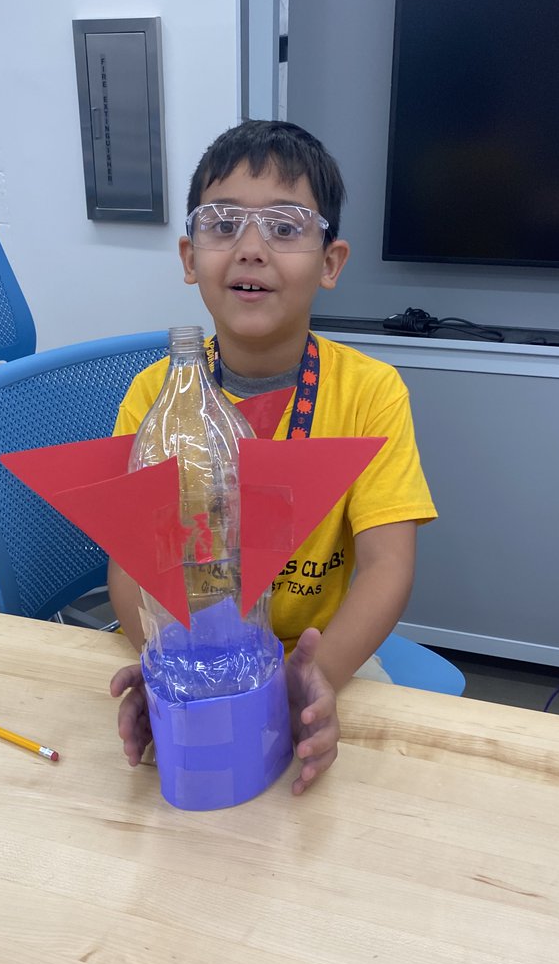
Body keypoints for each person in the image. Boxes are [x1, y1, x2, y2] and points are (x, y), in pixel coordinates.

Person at [109, 119, 437, 794]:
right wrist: (165, 665)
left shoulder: (370, 394)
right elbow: (130, 564)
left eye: (286, 228)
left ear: (330, 261)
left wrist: (313, 678)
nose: (251, 248)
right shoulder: (154, 396)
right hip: (196, 663)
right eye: (222, 224)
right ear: (188, 256)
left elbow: (386, 564)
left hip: (319, 661)